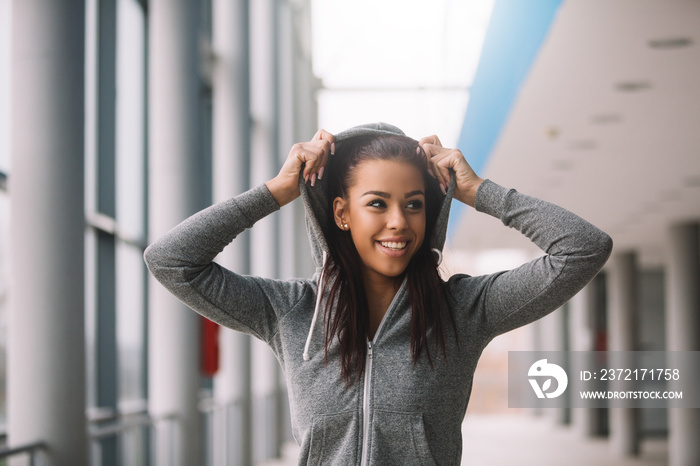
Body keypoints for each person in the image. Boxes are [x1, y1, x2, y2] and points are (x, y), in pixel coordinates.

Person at [144, 122, 613, 465]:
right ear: (342, 213)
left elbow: (582, 249)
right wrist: (277, 191)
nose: (398, 222)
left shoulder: (465, 310)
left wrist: (477, 190)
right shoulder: (291, 312)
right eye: (377, 204)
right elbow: (171, 260)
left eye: (414, 204)